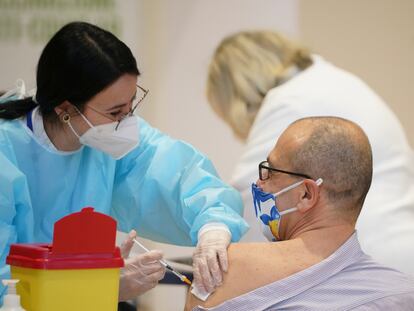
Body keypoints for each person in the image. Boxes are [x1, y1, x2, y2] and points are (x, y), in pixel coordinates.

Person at [0, 21, 249, 303]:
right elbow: (6, 289)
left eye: (132, 104)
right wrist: (99, 290)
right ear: (66, 109)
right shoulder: (5, 154)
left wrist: (214, 227)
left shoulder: (106, 140)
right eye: (116, 111)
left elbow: (185, 177)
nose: (128, 123)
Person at [206, 30, 414, 275]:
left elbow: (248, 211)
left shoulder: (288, 101)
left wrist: (211, 236)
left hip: (374, 256)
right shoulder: (333, 81)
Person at [185, 117, 414, 311]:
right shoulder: (400, 295)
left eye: (270, 171)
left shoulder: (224, 268)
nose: (259, 183)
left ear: (306, 194)